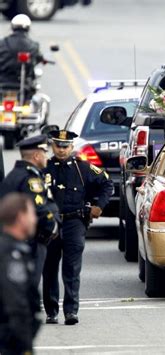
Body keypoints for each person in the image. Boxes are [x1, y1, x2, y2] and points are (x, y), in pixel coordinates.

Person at [43, 130, 113, 325]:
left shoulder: (83, 168)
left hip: (75, 222)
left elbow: (107, 183)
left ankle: (71, 312)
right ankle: (51, 311)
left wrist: (99, 205)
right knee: (49, 268)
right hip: (51, 224)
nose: (62, 150)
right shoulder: (44, 169)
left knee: (71, 269)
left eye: (66, 146)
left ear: (72, 147)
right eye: (58, 146)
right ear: (52, 146)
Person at [0, 134, 59, 287]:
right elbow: (38, 209)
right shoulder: (31, 179)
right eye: (44, 152)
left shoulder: (14, 175)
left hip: (16, 239)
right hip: (32, 240)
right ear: (36, 155)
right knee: (29, 284)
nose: (46, 156)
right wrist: (50, 228)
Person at [0, 193, 42, 355]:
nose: (35, 220)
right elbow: (16, 304)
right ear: (20, 217)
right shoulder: (11, 254)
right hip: (9, 342)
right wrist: (25, 346)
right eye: (31, 214)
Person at [0, 14, 44, 100]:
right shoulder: (33, 45)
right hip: (24, 84)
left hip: (2, 81)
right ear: (28, 28)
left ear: (12, 27)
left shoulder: (2, 43)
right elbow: (38, 57)